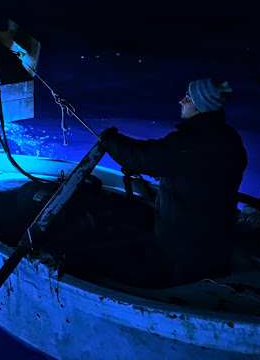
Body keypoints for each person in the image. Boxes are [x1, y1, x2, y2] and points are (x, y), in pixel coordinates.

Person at [99, 78, 247, 287]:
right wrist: (173, 173)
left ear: (199, 107)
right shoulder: (230, 139)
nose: (181, 101)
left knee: (177, 285)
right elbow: (204, 173)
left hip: (184, 248)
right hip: (218, 244)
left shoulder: (189, 142)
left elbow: (142, 157)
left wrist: (110, 139)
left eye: (187, 97)